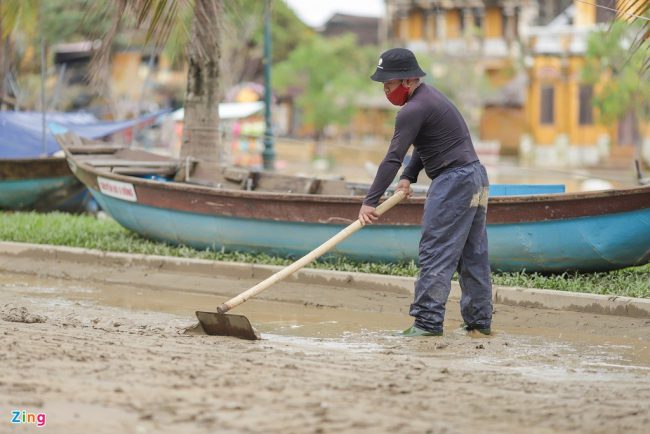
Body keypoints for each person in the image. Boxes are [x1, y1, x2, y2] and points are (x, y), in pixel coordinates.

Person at [358, 48, 492, 337]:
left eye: (389, 85)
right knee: (473, 256)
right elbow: (423, 145)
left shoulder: (412, 109)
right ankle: (480, 323)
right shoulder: (430, 97)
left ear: (407, 81)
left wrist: (370, 202)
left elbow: (392, 157)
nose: (386, 91)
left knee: (436, 253)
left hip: (454, 182)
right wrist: (408, 176)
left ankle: (427, 323)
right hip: (476, 177)